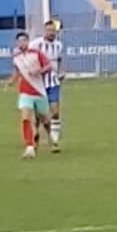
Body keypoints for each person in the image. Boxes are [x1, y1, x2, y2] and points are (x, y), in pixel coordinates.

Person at [9, 32, 53, 159]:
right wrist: (12, 80)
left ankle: (51, 136)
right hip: (25, 92)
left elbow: (48, 66)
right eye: (20, 41)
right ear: (17, 43)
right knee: (25, 117)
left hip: (39, 91)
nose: (22, 43)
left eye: (24, 40)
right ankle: (29, 146)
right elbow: (17, 70)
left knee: (44, 119)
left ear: (28, 41)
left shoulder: (36, 53)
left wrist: (38, 71)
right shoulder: (16, 57)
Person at [36, 20, 65, 152]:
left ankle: (55, 139)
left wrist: (61, 71)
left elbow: (59, 59)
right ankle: (35, 136)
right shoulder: (36, 44)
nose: (51, 33)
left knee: (55, 111)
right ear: (44, 31)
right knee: (39, 113)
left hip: (53, 81)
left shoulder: (59, 45)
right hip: (39, 82)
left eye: (53, 30)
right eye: (49, 30)